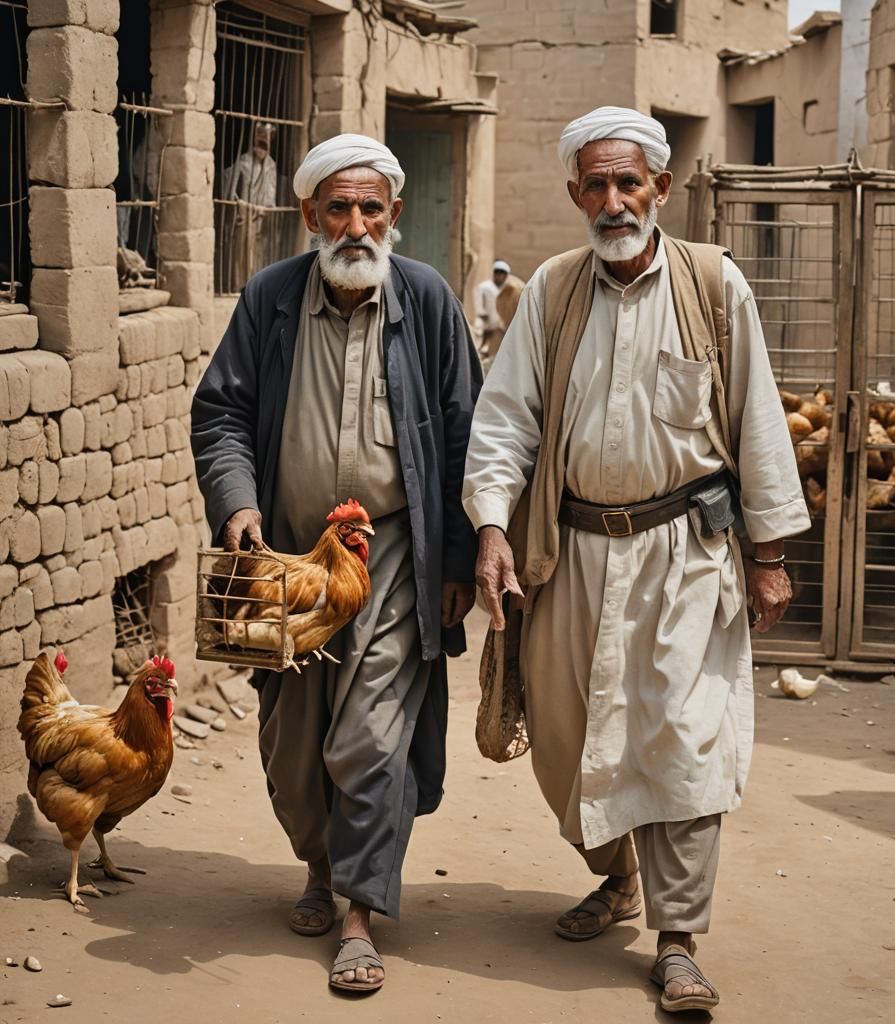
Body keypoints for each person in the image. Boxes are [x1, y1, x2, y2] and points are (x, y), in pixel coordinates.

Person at [462, 107, 810, 1013]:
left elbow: (759, 422)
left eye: (630, 183)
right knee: (563, 748)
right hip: (569, 552)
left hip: (684, 556)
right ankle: (617, 876)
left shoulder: (713, 284)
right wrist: (494, 527)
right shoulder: (552, 288)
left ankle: (679, 936)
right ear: (575, 192)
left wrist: (768, 555)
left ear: (660, 187)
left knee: (683, 744)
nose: (614, 202)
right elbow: (506, 419)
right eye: (596, 185)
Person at [192, 133, 481, 995]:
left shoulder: (425, 299)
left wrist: (459, 556)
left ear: (392, 215)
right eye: (338, 209)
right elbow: (222, 416)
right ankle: (317, 865)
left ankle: (358, 909)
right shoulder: (272, 298)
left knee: (370, 737)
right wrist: (238, 507)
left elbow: (465, 431)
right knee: (291, 742)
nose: (356, 225)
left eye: (371, 209)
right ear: (310, 214)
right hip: (286, 555)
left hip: (393, 551)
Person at [222, 122, 279, 292]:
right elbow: (230, 191)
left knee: (260, 254)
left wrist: (269, 208)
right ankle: (239, 286)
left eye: (266, 135)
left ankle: (258, 288)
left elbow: (272, 192)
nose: (263, 139)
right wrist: (241, 205)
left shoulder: (272, 165)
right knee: (241, 254)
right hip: (244, 216)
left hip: (264, 217)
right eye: (259, 134)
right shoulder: (244, 162)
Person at [474, 259, 522, 360]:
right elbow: (478, 301)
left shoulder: (509, 289)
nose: (499, 276)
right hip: (486, 319)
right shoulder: (485, 287)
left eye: (502, 274)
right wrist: (482, 314)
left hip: (501, 321)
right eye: (497, 273)